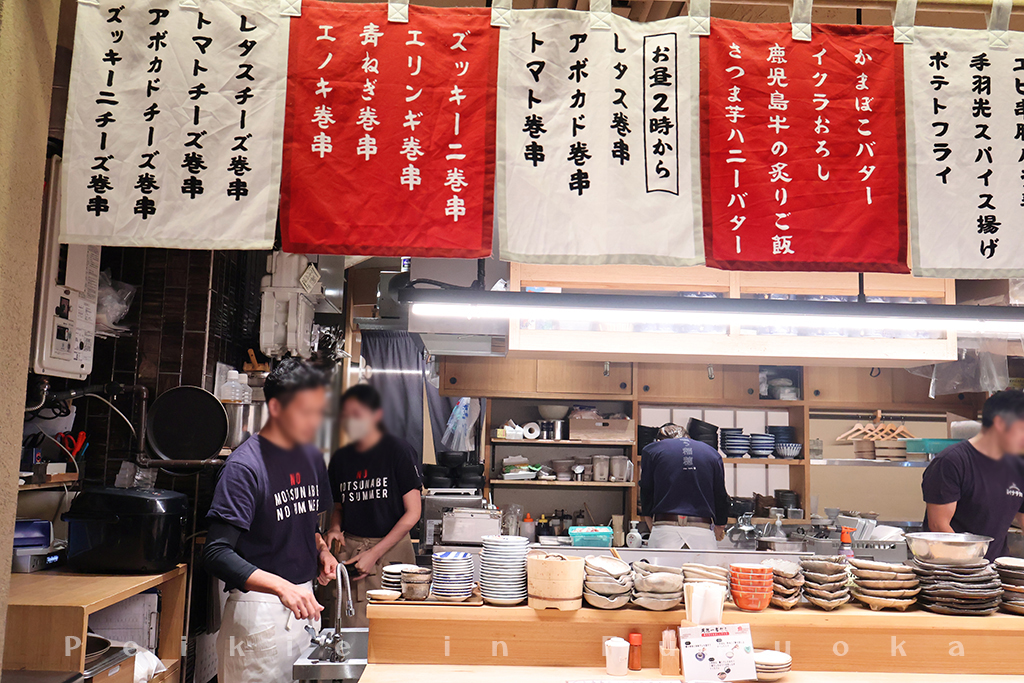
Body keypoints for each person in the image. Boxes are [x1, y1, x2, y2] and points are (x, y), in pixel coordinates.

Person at [204, 359, 337, 683]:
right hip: (259, 613)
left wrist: (321, 550)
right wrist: (282, 587)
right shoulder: (244, 467)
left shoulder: (310, 456)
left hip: (304, 608)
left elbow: (304, 523)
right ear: (276, 407)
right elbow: (216, 552)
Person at [325, 384, 422, 626]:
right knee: (350, 628)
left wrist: (374, 554)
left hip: (392, 552)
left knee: (393, 630)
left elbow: (413, 513)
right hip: (352, 553)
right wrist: (334, 529)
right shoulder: (340, 458)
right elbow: (338, 507)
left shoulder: (398, 451)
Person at [922, 389, 1024, 561]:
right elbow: (939, 525)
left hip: (995, 573)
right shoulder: (952, 461)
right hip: (950, 571)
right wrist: (972, 567)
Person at [639, 435, 730, 550]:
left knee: (661, 568)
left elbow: (646, 492)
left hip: (665, 530)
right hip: (702, 532)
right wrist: (720, 525)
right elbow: (720, 495)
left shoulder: (652, 450)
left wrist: (652, 526)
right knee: (704, 569)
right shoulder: (712, 454)